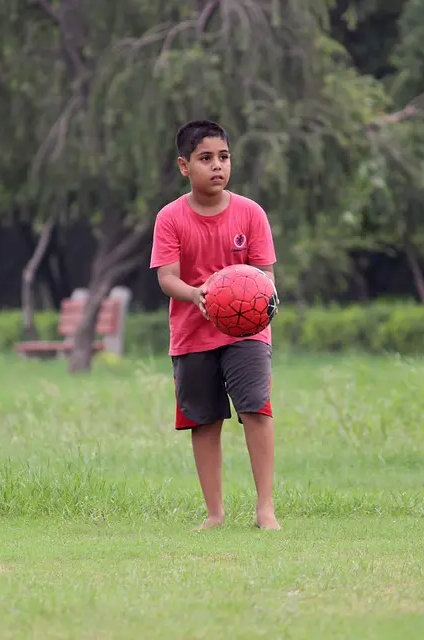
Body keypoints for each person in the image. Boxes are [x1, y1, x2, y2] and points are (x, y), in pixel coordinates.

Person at [150, 120, 280, 531]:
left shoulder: (251, 213)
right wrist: (197, 295)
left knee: (255, 410)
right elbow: (167, 277)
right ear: (184, 166)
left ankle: (265, 510)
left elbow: (266, 277)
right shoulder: (170, 218)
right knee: (205, 421)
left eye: (223, 157)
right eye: (206, 159)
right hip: (191, 334)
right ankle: (215, 514)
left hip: (247, 334)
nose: (217, 166)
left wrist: (260, 301)